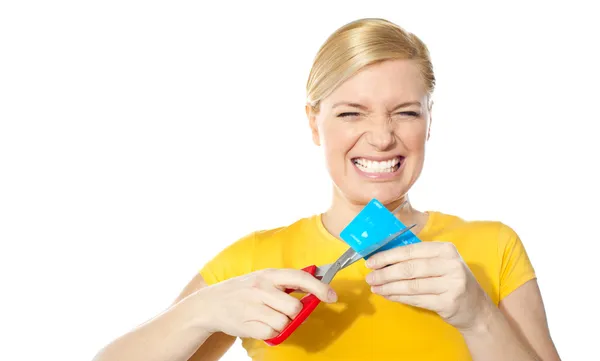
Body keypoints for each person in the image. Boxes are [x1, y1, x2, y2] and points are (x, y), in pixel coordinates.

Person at [93, 18, 561, 361]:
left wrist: (478, 317)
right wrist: (201, 312)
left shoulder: (492, 248)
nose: (381, 137)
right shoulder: (254, 261)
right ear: (314, 123)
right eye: (351, 113)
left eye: (406, 112)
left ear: (429, 122)